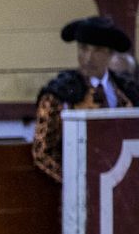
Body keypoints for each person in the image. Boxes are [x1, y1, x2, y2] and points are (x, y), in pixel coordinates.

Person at [32, 16, 138, 181]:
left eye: (97, 50)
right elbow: (43, 152)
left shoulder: (129, 91)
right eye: (83, 48)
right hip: (78, 189)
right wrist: (78, 182)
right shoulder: (59, 93)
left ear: (110, 54)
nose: (88, 58)